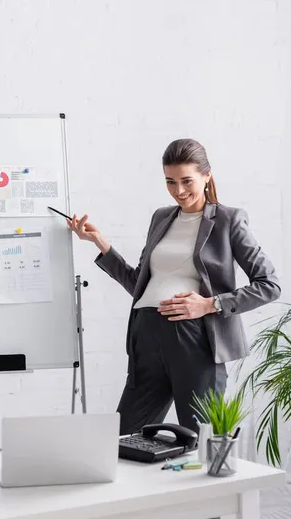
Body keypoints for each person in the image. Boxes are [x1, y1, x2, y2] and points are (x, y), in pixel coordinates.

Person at [68, 138, 281, 436]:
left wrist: (209, 304)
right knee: (123, 439)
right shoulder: (161, 218)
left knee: (201, 440)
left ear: (207, 176)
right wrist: (101, 244)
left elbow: (269, 285)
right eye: (170, 181)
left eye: (186, 181)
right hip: (145, 335)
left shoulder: (228, 220)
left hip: (193, 338)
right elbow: (138, 284)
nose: (178, 191)